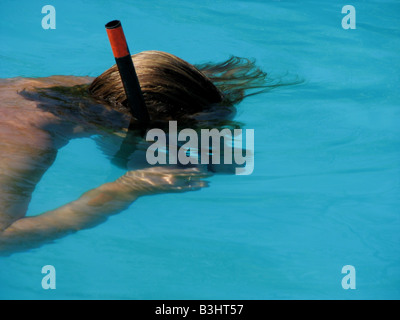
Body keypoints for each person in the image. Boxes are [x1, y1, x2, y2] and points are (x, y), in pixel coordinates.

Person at [0, 50, 271, 255]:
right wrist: (127, 189)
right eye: (178, 136)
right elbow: (4, 240)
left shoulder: (98, 91)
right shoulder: (26, 144)